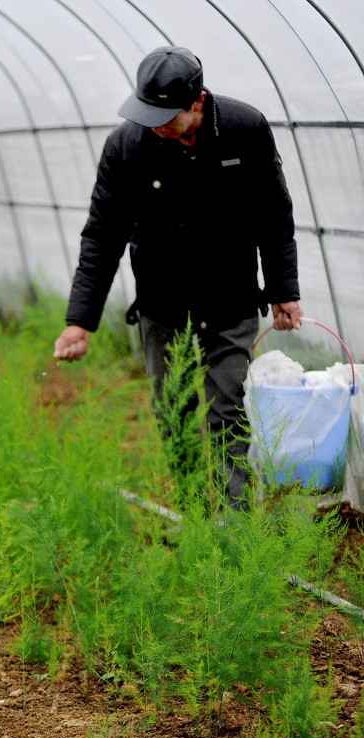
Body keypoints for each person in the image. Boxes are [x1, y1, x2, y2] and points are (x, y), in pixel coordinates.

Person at [53, 46, 303, 508]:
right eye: (148, 113)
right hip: (162, 305)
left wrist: (284, 288)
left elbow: (273, 213)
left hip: (230, 300)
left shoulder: (244, 129)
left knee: (228, 411)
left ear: (197, 102)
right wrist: (80, 320)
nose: (156, 124)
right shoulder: (127, 145)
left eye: (166, 114)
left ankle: (236, 523)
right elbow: (102, 234)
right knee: (174, 412)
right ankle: (195, 514)